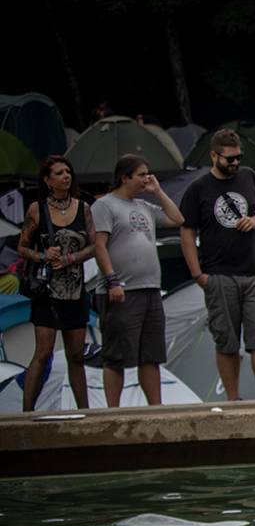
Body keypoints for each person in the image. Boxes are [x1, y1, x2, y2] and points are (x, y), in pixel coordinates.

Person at [179, 128, 255, 401]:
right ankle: (233, 398)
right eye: (229, 159)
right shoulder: (198, 189)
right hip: (218, 274)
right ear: (214, 156)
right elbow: (186, 232)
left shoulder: (249, 177)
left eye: (238, 158)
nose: (235, 163)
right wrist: (197, 274)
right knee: (226, 341)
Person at [92, 155, 183, 407]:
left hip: (150, 288)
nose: (147, 178)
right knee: (116, 355)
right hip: (121, 289)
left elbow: (177, 219)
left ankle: (156, 408)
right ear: (125, 177)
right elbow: (99, 245)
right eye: (142, 174)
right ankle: (113, 410)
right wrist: (112, 281)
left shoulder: (145, 205)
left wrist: (159, 191)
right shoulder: (105, 205)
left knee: (150, 355)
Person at [18, 155, 96, 411]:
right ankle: (27, 411)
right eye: (60, 173)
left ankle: (84, 410)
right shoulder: (36, 209)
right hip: (47, 291)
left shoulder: (83, 207)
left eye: (68, 172)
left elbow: (96, 246)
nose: (66, 176)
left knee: (76, 355)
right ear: (47, 180)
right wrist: (43, 255)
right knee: (43, 352)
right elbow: (22, 247)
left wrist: (72, 257)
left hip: (75, 289)